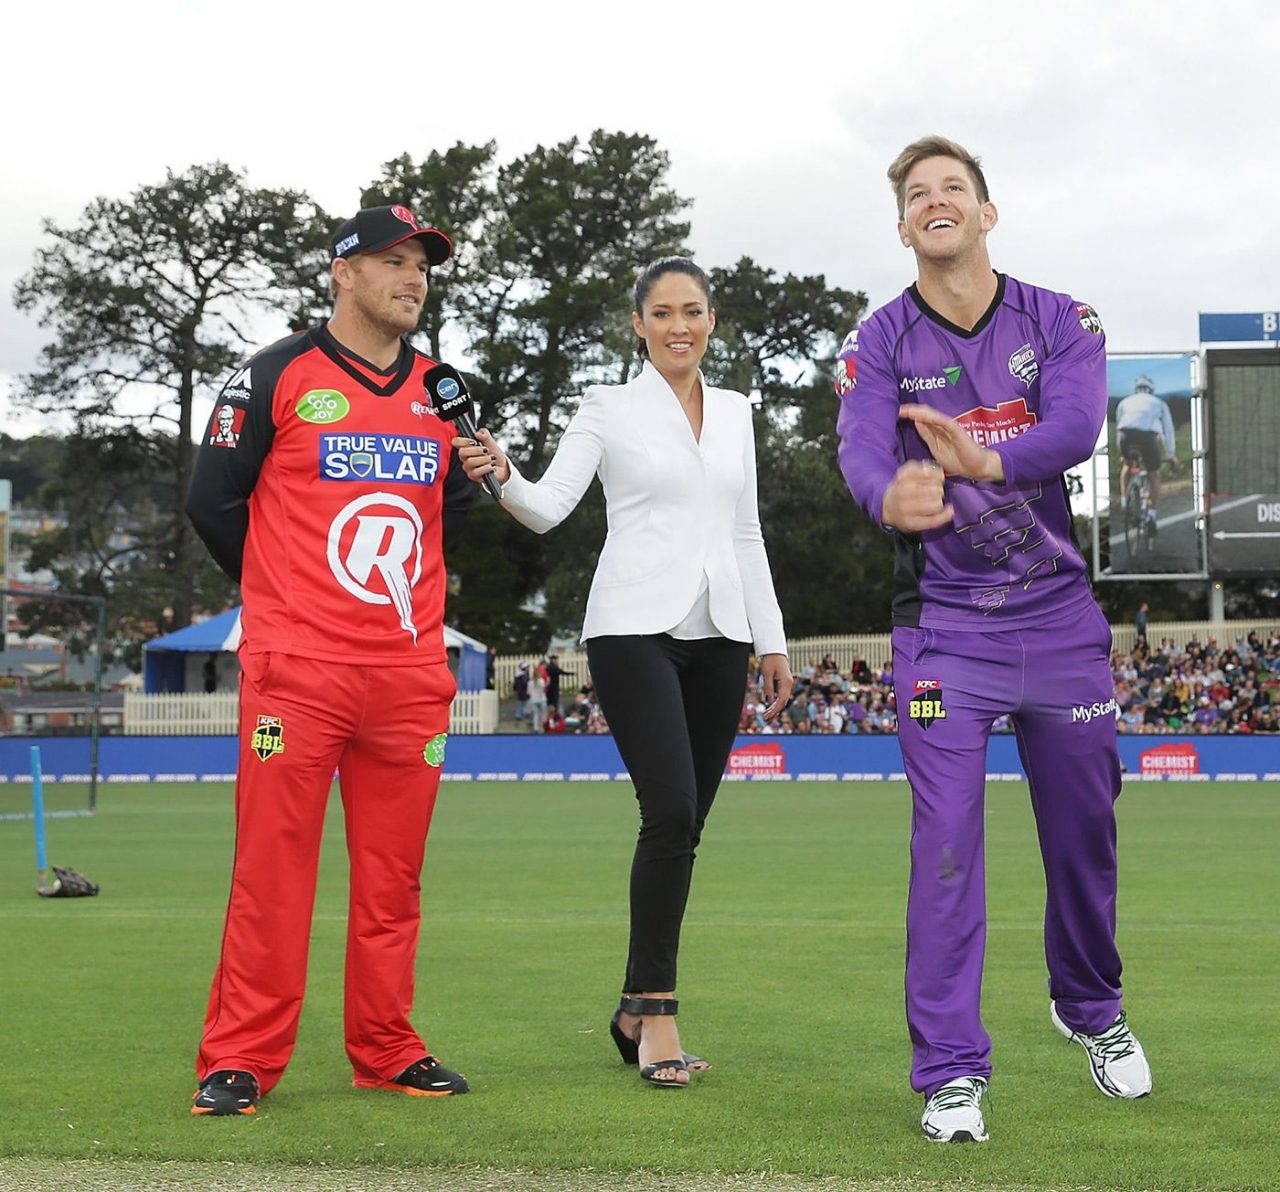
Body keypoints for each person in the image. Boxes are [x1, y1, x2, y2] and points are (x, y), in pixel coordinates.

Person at [834, 136, 1151, 1143]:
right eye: (916, 195)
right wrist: (892, 490)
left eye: (952, 190)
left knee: (1083, 832)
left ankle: (1087, 1006)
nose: (935, 203)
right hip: (941, 640)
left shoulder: (1060, 317)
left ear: (985, 212)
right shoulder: (876, 340)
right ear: (901, 228)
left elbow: (1073, 428)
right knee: (944, 849)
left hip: (1058, 626)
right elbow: (854, 451)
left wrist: (983, 454)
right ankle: (949, 1074)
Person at [455, 257, 794, 1088]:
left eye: (695, 311)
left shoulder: (741, 412)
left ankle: (632, 1005)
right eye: (664, 312)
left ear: (712, 321)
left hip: (720, 632)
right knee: (670, 809)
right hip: (630, 629)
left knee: (686, 827)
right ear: (637, 325)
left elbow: (745, 533)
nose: (681, 325)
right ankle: (661, 1019)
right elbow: (548, 506)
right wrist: (501, 473)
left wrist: (772, 639)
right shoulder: (607, 407)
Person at [185, 204, 476, 1115]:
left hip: (407, 676)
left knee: (393, 880)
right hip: (297, 673)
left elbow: (452, 510)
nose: (412, 278)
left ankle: (387, 1046)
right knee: (274, 871)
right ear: (342, 272)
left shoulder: (446, 388)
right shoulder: (275, 373)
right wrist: (283, 593)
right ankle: (240, 1058)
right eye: (392, 261)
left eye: (421, 264)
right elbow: (211, 501)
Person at [1114, 375, 1177, 533]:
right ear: (1151, 390)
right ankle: (1151, 515)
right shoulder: (1160, 403)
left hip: (1125, 436)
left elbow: (1119, 427)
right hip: (1147, 437)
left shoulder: (1124, 402)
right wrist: (1171, 455)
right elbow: (1168, 431)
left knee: (1128, 465)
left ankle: (1123, 502)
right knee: (1154, 474)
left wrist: (1122, 454)